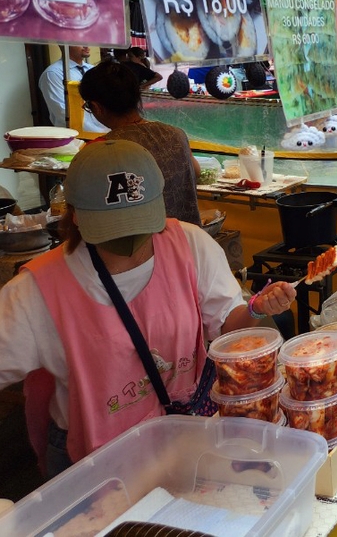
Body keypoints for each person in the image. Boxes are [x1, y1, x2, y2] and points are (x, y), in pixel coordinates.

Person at [0, 140, 298, 476]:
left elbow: (229, 329)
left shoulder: (189, 245)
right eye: (113, 225)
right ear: (75, 215)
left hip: (184, 430)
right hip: (95, 459)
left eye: (138, 221)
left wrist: (258, 308)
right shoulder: (35, 292)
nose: (129, 238)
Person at [78, 61, 202, 226]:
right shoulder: (176, 134)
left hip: (141, 248)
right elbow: (196, 172)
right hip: (186, 243)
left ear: (96, 106)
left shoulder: (100, 150)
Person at [38, 45, 108, 134]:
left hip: (105, 130)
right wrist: (100, 132)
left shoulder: (92, 69)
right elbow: (62, 112)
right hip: (76, 134)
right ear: (65, 45)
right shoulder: (53, 73)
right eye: (79, 42)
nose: (86, 46)